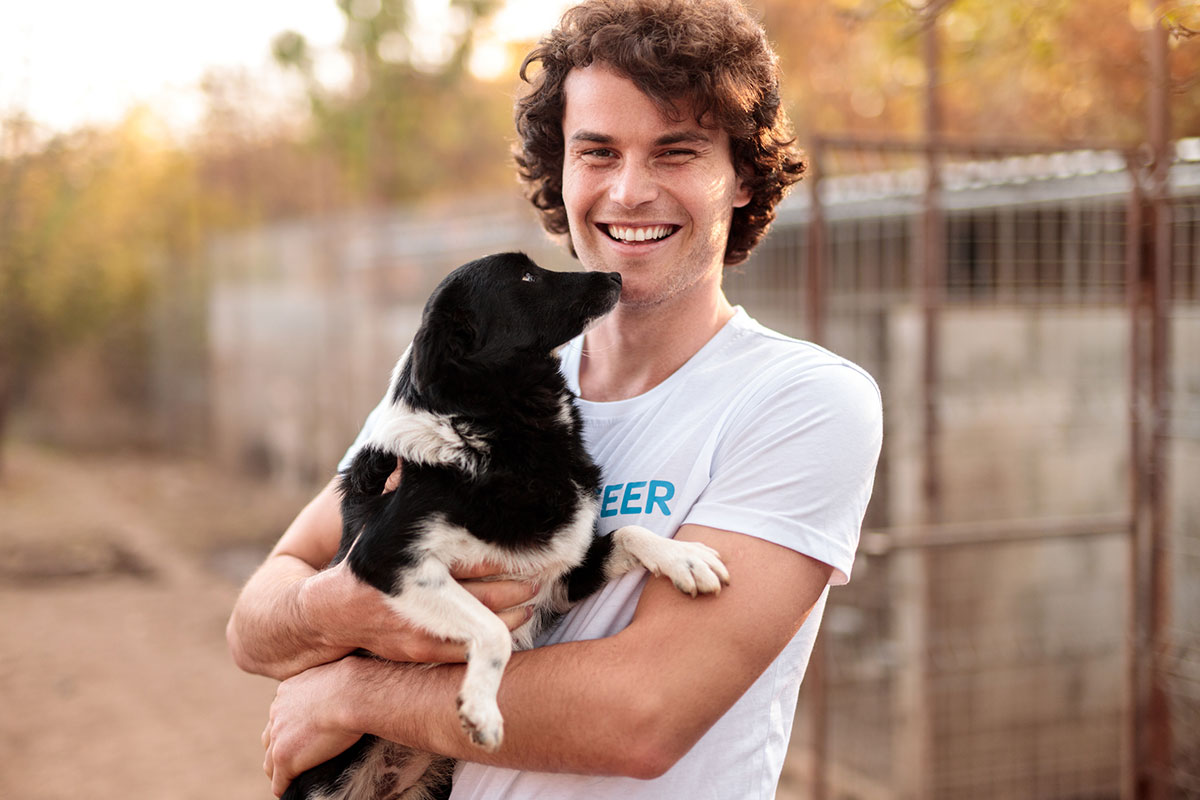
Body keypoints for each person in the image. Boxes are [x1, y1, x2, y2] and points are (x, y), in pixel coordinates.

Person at [227, 0, 883, 798]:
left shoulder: (802, 402)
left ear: (742, 177)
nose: (630, 191)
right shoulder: (474, 372)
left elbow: (641, 716)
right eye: (598, 151)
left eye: (676, 151)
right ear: (560, 168)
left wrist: (351, 692)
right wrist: (338, 610)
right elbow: (258, 619)